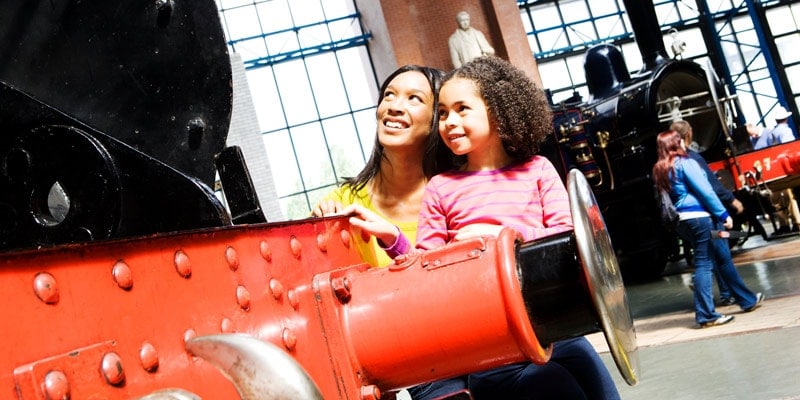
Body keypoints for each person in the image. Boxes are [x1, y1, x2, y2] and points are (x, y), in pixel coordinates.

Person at [343, 56, 620, 399]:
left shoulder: (538, 170)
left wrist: (498, 243)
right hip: (490, 341)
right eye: (442, 113)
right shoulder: (442, 187)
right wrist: (394, 239)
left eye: (462, 109)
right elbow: (426, 271)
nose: (448, 122)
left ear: (499, 113)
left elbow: (567, 242)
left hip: (554, 326)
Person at [311, 65, 451, 267]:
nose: (394, 106)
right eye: (389, 95)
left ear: (437, 117)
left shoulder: (457, 199)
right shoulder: (344, 202)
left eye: (414, 98)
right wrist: (315, 231)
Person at [652, 129, 764, 328]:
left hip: (683, 221)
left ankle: (747, 300)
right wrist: (723, 214)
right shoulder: (685, 163)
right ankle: (706, 315)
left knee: (720, 256)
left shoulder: (660, 168)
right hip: (700, 218)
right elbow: (706, 191)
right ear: (677, 144)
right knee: (704, 264)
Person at [670, 120, 750, 305]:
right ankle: (738, 298)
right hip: (704, 216)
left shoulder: (664, 163)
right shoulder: (689, 160)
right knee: (719, 258)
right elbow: (709, 189)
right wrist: (728, 206)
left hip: (683, 219)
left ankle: (728, 297)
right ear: (688, 134)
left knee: (709, 259)